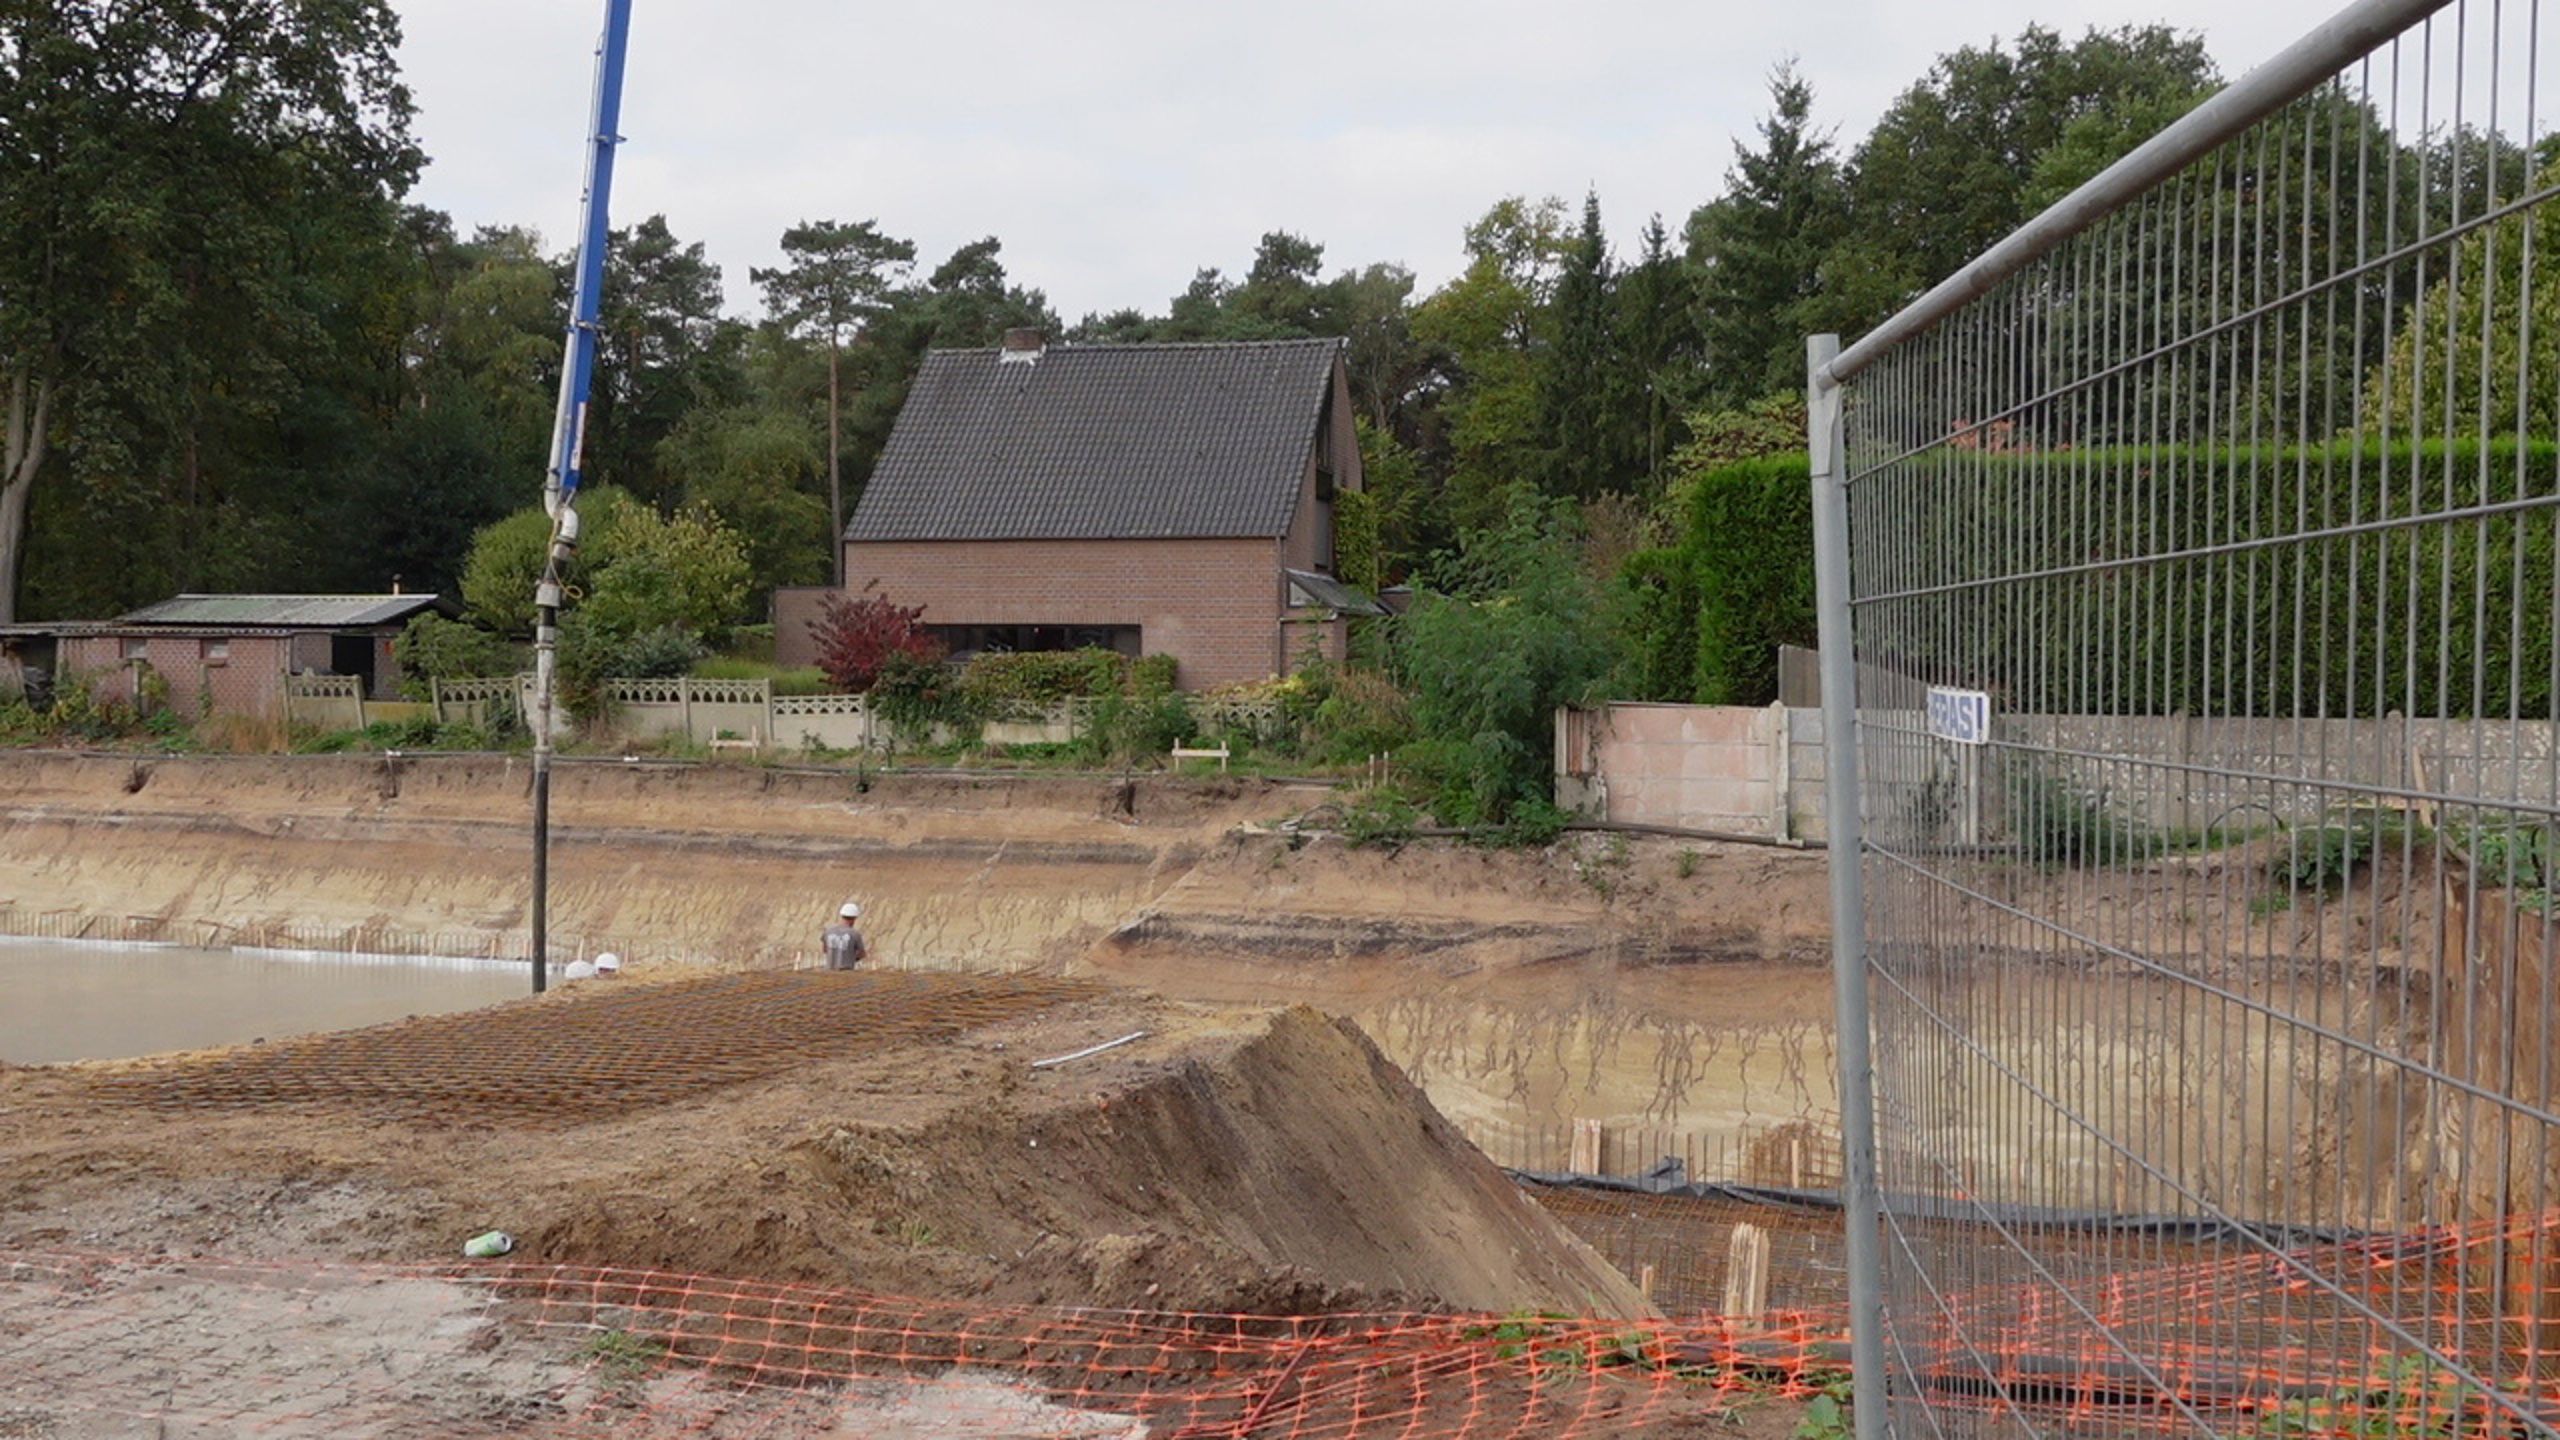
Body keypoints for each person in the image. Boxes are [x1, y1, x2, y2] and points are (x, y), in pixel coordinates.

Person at [821, 902, 866, 971]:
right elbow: (862, 954)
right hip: (846, 973)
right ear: (854, 918)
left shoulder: (828, 931)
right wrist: (852, 958)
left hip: (829, 972)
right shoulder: (855, 934)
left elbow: (825, 950)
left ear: (841, 915)